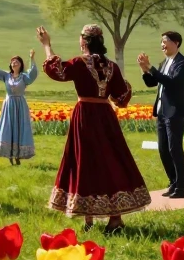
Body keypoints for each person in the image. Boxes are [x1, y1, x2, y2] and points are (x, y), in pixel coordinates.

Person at [38, 24, 151, 233]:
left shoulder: (80, 63)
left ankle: (88, 218)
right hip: (106, 117)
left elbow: (57, 70)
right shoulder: (112, 66)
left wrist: (47, 45)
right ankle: (114, 218)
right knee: (110, 160)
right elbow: (122, 97)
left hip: (85, 117)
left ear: (84, 41)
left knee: (85, 162)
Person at [139, 30, 184, 199]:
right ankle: (173, 183)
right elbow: (152, 83)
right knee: (163, 149)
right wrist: (145, 70)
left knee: (174, 149)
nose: (162, 45)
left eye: (165, 41)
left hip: (175, 112)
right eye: (161, 42)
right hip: (162, 112)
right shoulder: (164, 63)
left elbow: (173, 83)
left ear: (176, 43)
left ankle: (181, 188)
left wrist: (152, 69)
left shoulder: (183, 64)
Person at [0, 47, 38, 164]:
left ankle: (18, 155)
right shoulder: (6, 76)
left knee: (20, 127)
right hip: (9, 104)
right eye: (13, 61)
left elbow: (33, 74)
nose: (14, 63)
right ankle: (9, 154)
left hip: (20, 105)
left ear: (20, 65)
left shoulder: (24, 77)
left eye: (17, 61)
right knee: (8, 127)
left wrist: (32, 58)